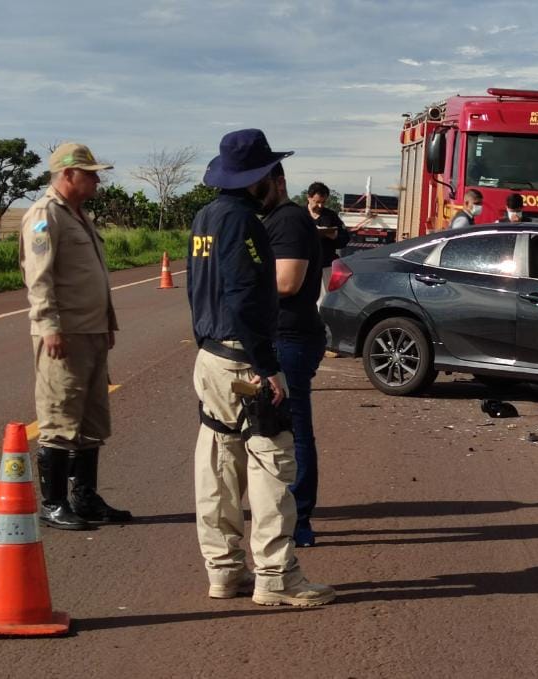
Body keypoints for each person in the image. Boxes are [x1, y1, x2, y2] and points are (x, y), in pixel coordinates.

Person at [188, 128, 334, 607]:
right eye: (273, 173)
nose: (277, 181)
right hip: (245, 359)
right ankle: (276, 575)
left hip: (210, 355)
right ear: (261, 179)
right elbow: (246, 295)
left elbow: (198, 290)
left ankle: (223, 570)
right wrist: (267, 366)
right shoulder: (245, 222)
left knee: (217, 464)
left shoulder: (206, 217)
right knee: (272, 464)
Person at [19, 142, 132, 531]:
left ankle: (84, 498)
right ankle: (53, 504)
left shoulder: (79, 215)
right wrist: (49, 325)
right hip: (64, 334)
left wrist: (106, 325)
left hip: (92, 332)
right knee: (60, 416)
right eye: (91, 174)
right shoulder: (44, 215)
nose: (98, 180)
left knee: (91, 418)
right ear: (68, 174)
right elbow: (39, 277)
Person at [263, 164, 325, 548]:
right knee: (278, 429)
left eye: (258, 183)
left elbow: (286, 282)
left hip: (292, 338)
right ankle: (288, 513)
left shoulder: (288, 221)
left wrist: (238, 280)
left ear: (279, 182)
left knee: (294, 429)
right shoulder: (274, 218)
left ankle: (299, 518)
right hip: (285, 335)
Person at [305, 182, 348, 269]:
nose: (320, 206)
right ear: (309, 197)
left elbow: (345, 239)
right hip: (303, 265)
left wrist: (335, 237)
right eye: (317, 202)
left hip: (326, 265)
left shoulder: (331, 216)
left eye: (323, 202)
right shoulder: (299, 215)